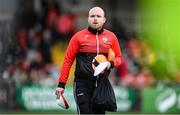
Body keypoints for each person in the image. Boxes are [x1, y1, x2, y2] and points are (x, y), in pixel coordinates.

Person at [55, 6, 122, 114]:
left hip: (101, 84)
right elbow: (68, 60)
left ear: (104, 19)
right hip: (82, 83)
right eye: (92, 16)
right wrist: (61, 85)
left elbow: (119, 58)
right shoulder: (78, 37)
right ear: (88, 19)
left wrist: (110, 64)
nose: (95, 18)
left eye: (98, 16)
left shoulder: (111, 37)